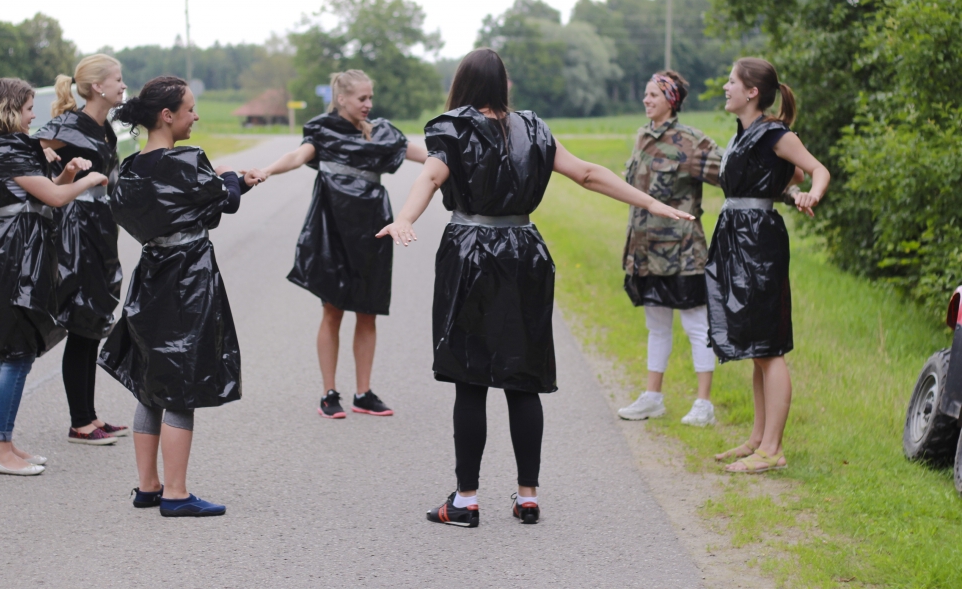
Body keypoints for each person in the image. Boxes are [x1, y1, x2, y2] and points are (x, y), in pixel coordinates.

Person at [377, 48, 694, 527]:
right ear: (503, 84)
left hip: (471, 251)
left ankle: (465, 501)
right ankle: (528, 497)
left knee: (471, 378)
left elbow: (431, 174)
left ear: (462, 84)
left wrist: (404, 217)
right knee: (523, 377)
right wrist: (652, 202)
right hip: (525, 250)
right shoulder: (534, 127)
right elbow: (588, 174)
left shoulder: (452, 126)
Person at [98, 76, 262, 516]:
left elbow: (175, 209)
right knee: (181, 384)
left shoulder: (129, 169)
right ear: (167, 116)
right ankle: (176, 494)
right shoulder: (188, 162)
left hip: (150, 273)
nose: (196, 116)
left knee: (149, 381)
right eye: (190, 109)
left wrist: (227, 184)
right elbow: (221, 202)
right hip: (188, 277)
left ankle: (148, 486)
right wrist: (234, 179)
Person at [256, 70, 427, 419]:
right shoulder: (321, 130)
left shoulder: (383, 131)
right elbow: (297, 157)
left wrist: (462, 159)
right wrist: (267, 170)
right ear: (342, 99)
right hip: (331, 227)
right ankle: (328, 393)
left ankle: (363, 393)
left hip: (373, 226)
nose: (369, 104)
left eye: (370, 98)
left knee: (368, 309)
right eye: (362, 98)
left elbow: (428, 156)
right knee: (332, 309)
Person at [0, 78, 108, 476]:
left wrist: (67, 171)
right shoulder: (2, 148)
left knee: (22, 350)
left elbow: (42, 191)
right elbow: (51, 199)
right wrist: (88, 179)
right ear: (9, 109)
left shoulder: (14, 147)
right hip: (13, 255)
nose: (34, 115)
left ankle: (7, 445)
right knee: (16, 353)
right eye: (29, 107)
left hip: (23, 250)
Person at [707, 58, 829, 473]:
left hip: (759, 245)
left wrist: (811, 193)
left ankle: (773, 451)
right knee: (755, 347)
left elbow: (814, 170)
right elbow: (783, 179)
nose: (726, 87)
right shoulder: (744, 134)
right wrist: (789, 192)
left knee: (769, 348)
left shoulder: (776, 133)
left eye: (731, 81)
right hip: (737, 238)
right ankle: (757, 439)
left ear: (751, 91)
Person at [616, 70, 723, 427]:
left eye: (653, 95)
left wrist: (790, 188)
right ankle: (653, 398)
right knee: (657, 325)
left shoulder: (691, 142)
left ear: (671, 101)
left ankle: (703, 404)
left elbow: (737, 174)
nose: (646, 100)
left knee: (696, 325)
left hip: (683, 254)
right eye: (645, 94)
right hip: (646, 252)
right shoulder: (642, 137)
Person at [36, 54, 129, 446]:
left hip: (102, 229)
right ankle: (80, 422)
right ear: (98, 87)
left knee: (93, 323)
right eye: (119, 79)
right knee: (81, 321)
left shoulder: (106, 127)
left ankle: (89, 416)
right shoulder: (69, 124)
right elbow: (29, 145)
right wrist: (45, 153)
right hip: (76, 232)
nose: (124, 85)